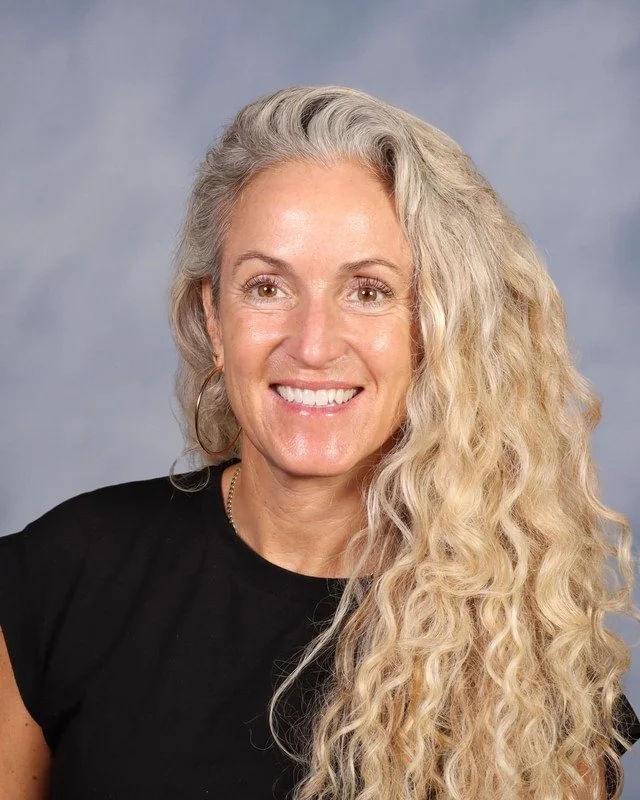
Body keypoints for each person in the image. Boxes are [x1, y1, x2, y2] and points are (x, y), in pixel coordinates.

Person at [1, 85, 638, 800]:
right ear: (214, 318)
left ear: (434, 329)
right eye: (267, 287)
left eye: (367, 291)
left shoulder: (526, 649)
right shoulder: (58, 581)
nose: (312, 344)